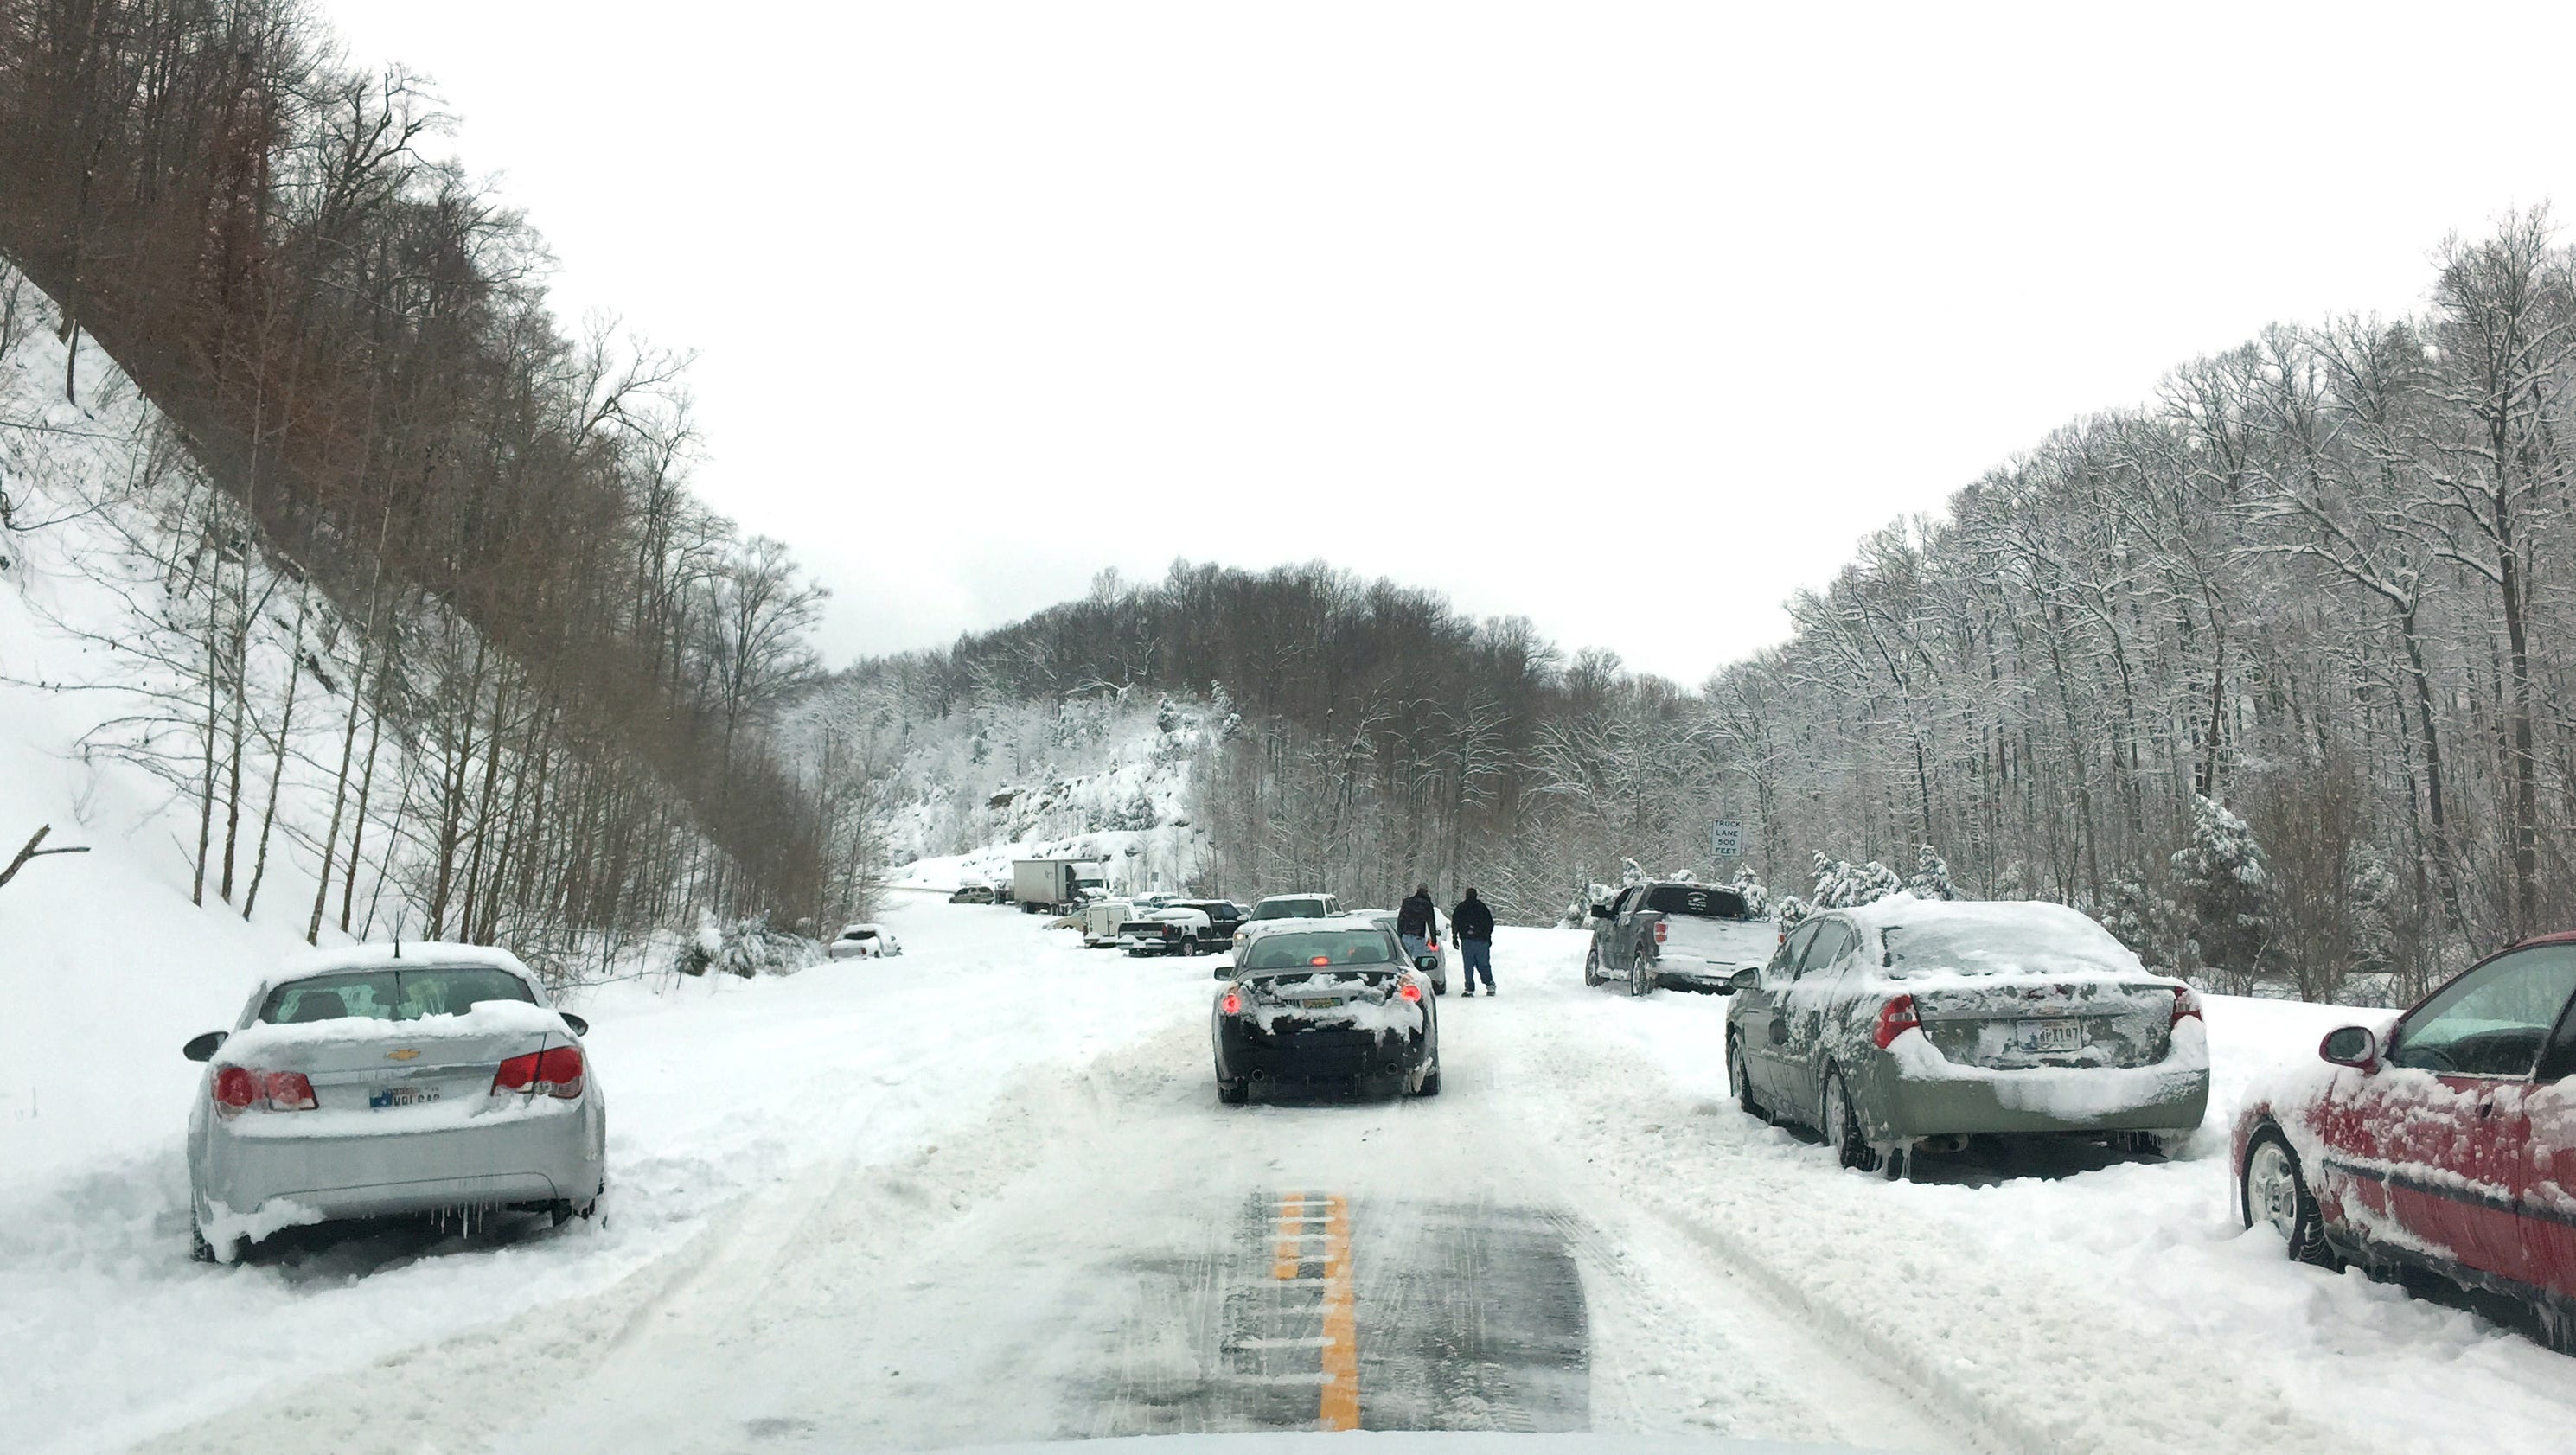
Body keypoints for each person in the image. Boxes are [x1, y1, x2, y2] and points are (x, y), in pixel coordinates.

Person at [1450, 886, 1495, 996]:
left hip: (1467, 940)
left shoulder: (1461, 907)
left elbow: (1455, 923)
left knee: (1468, 965)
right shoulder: (1482, 908)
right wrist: (1487, 937)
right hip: (1481, 940)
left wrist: (1455, 937)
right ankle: (1489, 984)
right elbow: (1490, 923)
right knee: (1483, 964)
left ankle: (1469, 987)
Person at [1396, 884, 1440, 967]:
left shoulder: (1407, 902)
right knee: (1418, 963)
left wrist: (1399, 935)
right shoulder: (1426, 904)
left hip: (1406, 935)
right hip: (1419, 937)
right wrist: (1433, 939)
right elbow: (1431, 922)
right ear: (1427, 891)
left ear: (1417, 890)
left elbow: (1400, 920)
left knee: (1405, 961)